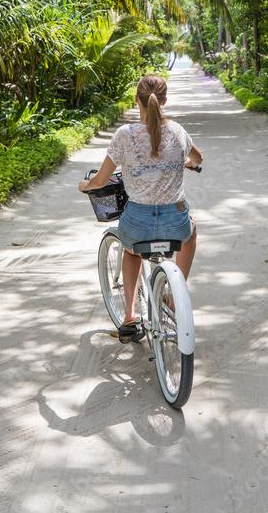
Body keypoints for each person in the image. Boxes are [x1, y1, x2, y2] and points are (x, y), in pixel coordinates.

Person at [78, 73, 203, 342]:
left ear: (137, 100)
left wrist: (86, 185)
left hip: (138, 222)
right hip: (175, 222)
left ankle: (130, 315)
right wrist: (183, 162)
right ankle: (175, 291)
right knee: (191, 232)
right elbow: (198, 158)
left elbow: (101, 180)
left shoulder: (125, 135)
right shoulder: (179, 131)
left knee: (132, 250)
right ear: (165, 100)